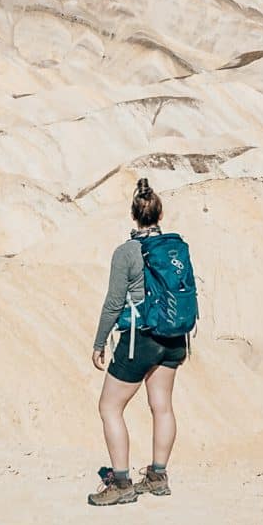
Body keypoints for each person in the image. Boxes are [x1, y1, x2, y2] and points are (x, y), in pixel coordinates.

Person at [88, 177, 191, 506]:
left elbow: (114, 302)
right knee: (162, 406)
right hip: (174, 338)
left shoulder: (127, 253)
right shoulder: (175, 249)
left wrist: (99, 342)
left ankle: (121, 483)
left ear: (134, 215)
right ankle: (158, 477)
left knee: (109, 406)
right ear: (159, 215)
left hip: (140, 338)